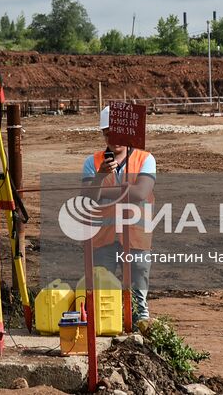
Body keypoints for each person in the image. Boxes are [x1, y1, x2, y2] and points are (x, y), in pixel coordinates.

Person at [82, 105, 156, 324]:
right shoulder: (93, 162)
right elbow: (86, 199)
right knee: (104, 289)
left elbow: (140, 192)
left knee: (137, 288)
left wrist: (101, 190)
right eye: (108, 134)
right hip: (103, 236)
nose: (113, 139)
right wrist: (100, 177)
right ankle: (111, 324)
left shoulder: (145, 159)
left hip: (135, 235)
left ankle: (139, 322)